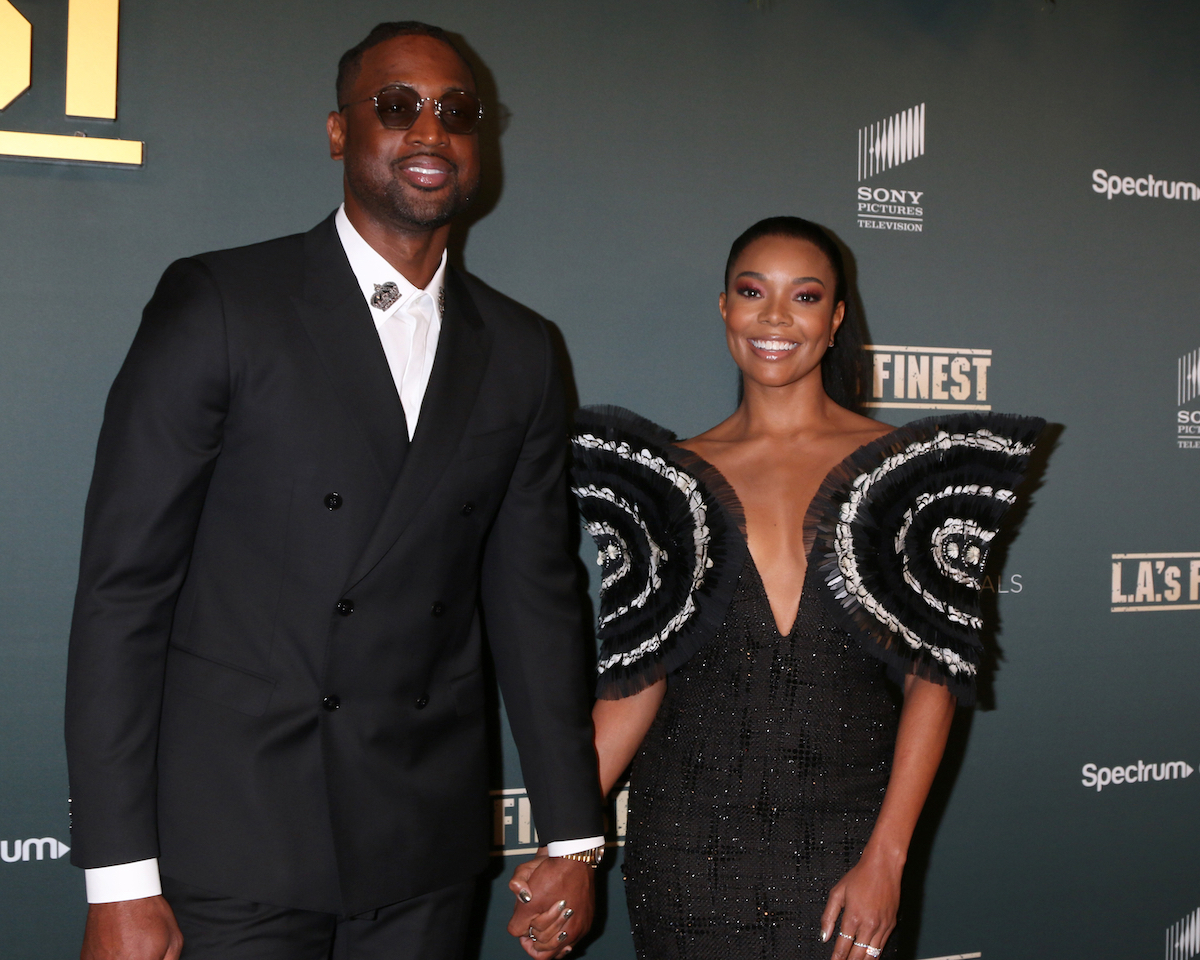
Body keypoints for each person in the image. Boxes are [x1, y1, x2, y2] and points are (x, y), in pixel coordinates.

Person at [65, 21, 605, 960]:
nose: (430, 132)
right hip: (231, 847)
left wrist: (572, 835)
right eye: (396, 107)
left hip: (420, 850)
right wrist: (117, 879)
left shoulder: (520, 350)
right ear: (337, 132)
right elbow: (124, 594)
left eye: (458, 112)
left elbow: (536, 603)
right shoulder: (224, 303)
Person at [547, 217, 1042, 959]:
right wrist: (569, 849)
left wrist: (887, 858)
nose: (775, 317)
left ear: (835, 318)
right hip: (684, 856)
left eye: (804, 296)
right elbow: (635, 685)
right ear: (724, 308)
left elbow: (930, 684)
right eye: (753, 291)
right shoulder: (663, 480)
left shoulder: (908, 474)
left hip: (847, 847)